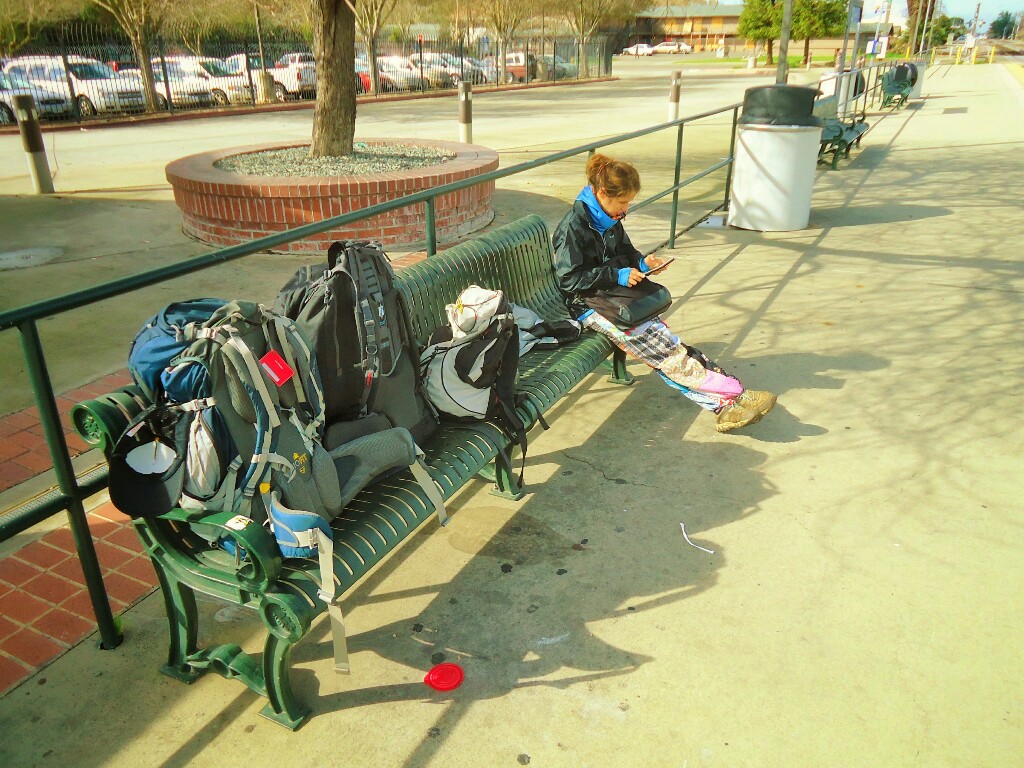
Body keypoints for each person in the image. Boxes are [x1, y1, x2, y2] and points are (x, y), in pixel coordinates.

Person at [552, 153, 777, 433]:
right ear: (601, 193)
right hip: (587, 305)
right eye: (622, 202)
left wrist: (642, 264)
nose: (625, 210)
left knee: (666, 343)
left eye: (628, 203)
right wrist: (616, 275)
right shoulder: (574, 228)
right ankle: (728, 400)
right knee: (662, 351)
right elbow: (569, 279)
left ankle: (732, 396)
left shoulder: (608, 217)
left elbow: (626, 253)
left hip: (612, 299)